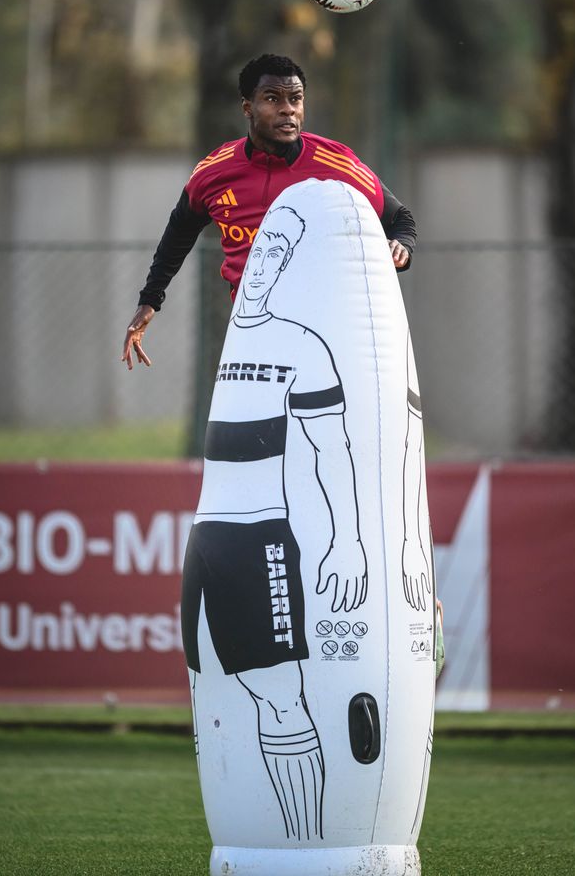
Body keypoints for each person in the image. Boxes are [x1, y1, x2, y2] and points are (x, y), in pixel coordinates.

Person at [183, 201, 367, 840]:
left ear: (290, 267)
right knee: (213, 693)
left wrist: (346, 539)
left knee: (282, 695)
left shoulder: (302, 345)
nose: (264, 264)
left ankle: (309, 845)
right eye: (259, 251)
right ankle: (256, 842)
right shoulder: (233, 338)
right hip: (206, 537)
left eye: (278, 254)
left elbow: (334, 448)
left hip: (260, 535)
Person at [121, 52, 417, 369]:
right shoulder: (214, 172)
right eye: (273, 99)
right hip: (250, 333)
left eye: (296, 99)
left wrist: (402, 246)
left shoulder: (335, 164)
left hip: (327, 333)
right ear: (248, 107)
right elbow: (179, 231)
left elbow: (400, 218)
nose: (287, 109)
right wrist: (150, 300)